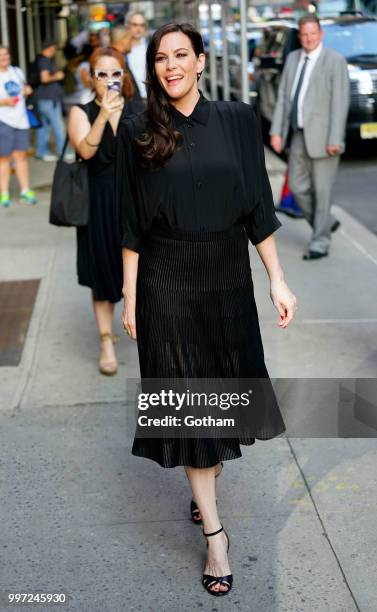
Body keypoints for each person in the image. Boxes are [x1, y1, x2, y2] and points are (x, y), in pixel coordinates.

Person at [117, 23, 297, 596]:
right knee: (193, 408)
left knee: (219, 401)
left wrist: (278, 279)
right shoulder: (138, 128)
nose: (170, 66)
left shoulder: (238, 121)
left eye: (180, 55)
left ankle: (206, 484)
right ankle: (216, 536)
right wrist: (130, 292)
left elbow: (258, 206)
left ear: (200, 61)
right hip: (167, 281)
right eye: (160, 58)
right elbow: (129, 219)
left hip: (226, 280)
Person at [67, 47, 140, 376]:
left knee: (146, 272)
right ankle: (106, 342)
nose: (110, 81)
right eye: (102, 74)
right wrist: (102, 115)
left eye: (116, 73)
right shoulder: (80, 112)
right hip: (99, 203)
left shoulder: (140, 109)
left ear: (124, 76)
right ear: (91, 78)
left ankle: (149, 333)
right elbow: (85, 150)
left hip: (136, 201)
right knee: (103, 275)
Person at [270, 15, 350, 260]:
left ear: (321, 33)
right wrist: (276, 131)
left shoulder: (335, 61)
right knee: (296, 186)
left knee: (322, 191)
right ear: (299, 36)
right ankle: (326, 221)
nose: (308, 39)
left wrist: (336, 138)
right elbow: (284, 97)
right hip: (298, 135)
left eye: (312, 33)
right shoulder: (293, 58)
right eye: (304, 34)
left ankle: (320, 241)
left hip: (326, 138)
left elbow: (340, 102)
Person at [0, 46, 37, 207]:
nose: (3, 57)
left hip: (21, 121)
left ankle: (25, 190)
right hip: (4, 122)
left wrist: (27, 90)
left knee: (21, 157)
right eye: (0, 55)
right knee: (4, 159)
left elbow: (25, 88)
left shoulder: (17, 71)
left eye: (5, 54)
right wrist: (4, 102)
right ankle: (4, 194)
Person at [35, 40, 66, 162]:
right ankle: (62, 151)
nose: (54, 51)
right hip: (49, 99)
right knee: (58, 126)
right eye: (53, 48)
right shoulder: (45, 60)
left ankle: (41, 152)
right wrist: (57, 76)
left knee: (43, 128)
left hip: (44, 98)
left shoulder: (40, 60)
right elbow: (45, 78)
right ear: (50, 48)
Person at [110, 24, 143, 104]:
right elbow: (113, 94)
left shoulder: (118, 58)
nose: (132, 42)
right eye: (131, 39)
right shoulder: (112, 61)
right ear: (123, 40)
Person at [127, 11, 148, 100]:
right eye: (135, 25)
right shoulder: (123, 49)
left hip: (151, 98)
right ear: (128, 26)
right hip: (131, 99)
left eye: (142, 25)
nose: (138, 28)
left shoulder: (151, 47)